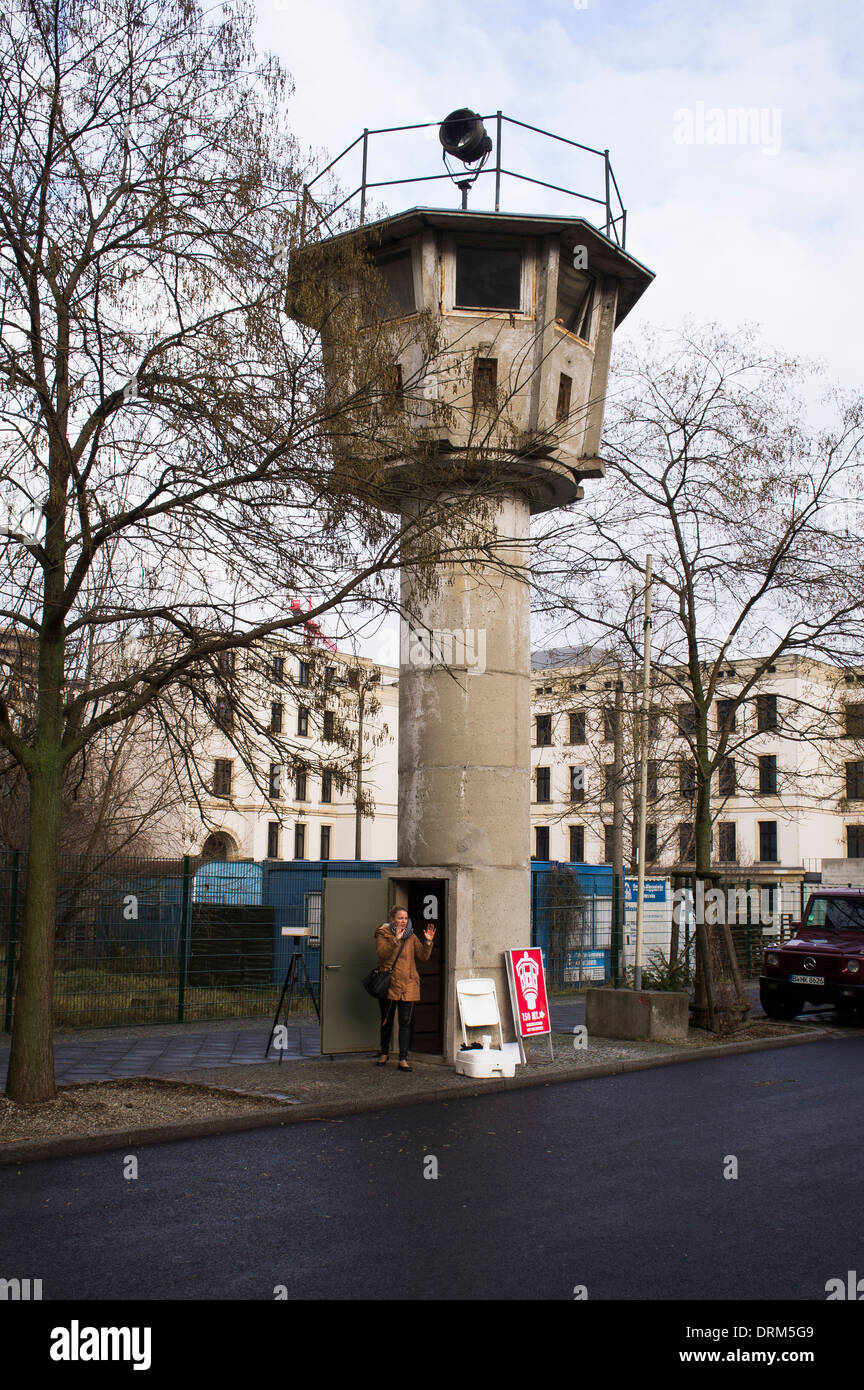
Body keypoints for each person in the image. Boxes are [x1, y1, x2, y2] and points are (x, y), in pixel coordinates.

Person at [374, 905, 436, 1071]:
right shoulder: (383, 933)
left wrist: (428, 941)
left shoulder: (411, 936)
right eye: (400, 918)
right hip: (389, 984)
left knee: (405, 1023)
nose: (403, 921)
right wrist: (395, 939)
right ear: (393, 919)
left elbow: (423, 956)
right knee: (386, 1022)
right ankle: (384, 1053)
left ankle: (403, 1058)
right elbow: (382, 954)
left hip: (408, 985)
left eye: (405, 918)